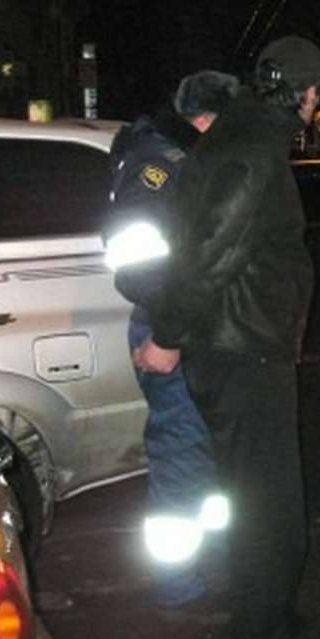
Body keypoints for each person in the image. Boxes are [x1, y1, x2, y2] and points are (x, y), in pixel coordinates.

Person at [135, 35, 320, 639]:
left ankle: (273, 618)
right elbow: (209, 254)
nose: (317, 103)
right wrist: (167, 335)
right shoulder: (251, 151)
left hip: (246, 347)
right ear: (302, 92)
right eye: (316, 92)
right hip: (241, 352)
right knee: (265, 510)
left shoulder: (246, 135)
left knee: (274, 503)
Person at [102, 70, 239, 608]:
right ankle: (180, 587)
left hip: (185, 325)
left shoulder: (177, 157)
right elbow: (137, 263)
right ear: (204, 119)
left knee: (202, 455)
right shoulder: (158, 165)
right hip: (169, 329)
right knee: (183, 455)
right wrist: (169, 332)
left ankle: (209, 567)